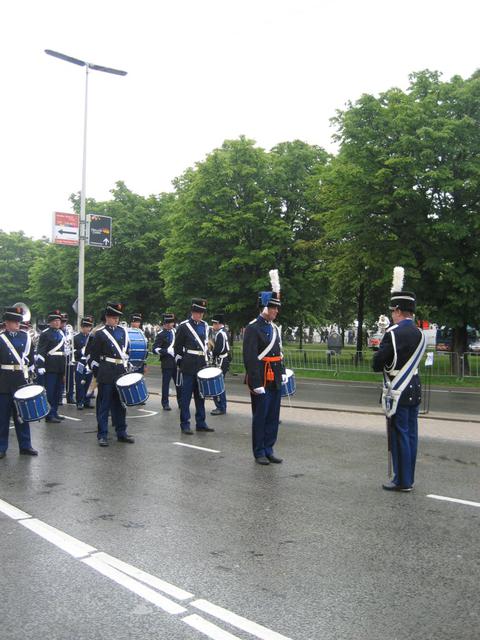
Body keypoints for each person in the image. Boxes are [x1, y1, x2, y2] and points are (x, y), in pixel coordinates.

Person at [373, 267, 426, 492]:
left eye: (393, 310)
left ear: (398, 310)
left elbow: (377, 364)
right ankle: (408, 478)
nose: (392, 314)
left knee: (400, 434)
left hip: (398, 389)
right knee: (411, 435)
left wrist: (378, 350)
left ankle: (402, 480)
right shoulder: (419, 333)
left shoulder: (393, 333)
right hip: (413, 386)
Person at [243, 270, 286, 465]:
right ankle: (259, 451)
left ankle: (269, 448)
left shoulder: (275, 328)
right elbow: (250, 358)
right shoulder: (253, 328)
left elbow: (279, 353)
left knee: (273, 416)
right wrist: (256, 382)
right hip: (261, 379)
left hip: (274, 377)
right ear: (266, 308)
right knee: (260, 416)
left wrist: (282, 373)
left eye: (277, 309)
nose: (277, 312)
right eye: (274, 308)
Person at [87, 302, 135, 447]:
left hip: (120, 371)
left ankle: (121, 432)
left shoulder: (123, 332)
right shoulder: (100, 334)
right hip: (106, 372)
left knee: (121, 405)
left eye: (118, 317)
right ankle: (102, 434)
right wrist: (98, 373)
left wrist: (127, 365)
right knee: (104, 405)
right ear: (107, 317)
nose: (116, 320)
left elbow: (126, 352)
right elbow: (93, 357)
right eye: (114, 317)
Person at [0, 306, 38, 458]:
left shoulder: (26, 337)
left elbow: (31, 358)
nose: (17, 324)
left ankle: (25, 445)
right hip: (4, 380)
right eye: (14, 321)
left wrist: (31, 372)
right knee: (2, 416)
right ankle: (2, 447)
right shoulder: (1, 338)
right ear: (7, 322)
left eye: (18, 321)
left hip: (20, 380)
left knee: (22, 415)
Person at [174, 298, 214, 434]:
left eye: (202, 312)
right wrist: (180, 362)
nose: (200, 314)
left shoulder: (205, 325)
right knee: (186, 397)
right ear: (192, 311)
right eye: (197, 312)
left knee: (200, 395)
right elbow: (177, 347)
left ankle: (201, 422)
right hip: (188, 364)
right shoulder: (184, 326)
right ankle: (185, 424)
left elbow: (206, 344)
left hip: (201, 363)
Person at [36, 309, 66, 423]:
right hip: (50, 366)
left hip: (60, 365)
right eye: (55, 320)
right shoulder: (45, 333)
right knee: (50, 391)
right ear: (50, 322)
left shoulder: (61, 333)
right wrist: (41, 365)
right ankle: (49, 414)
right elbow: (41, 351)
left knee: (58, 391)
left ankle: (55, 412)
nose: (58, 322)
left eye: (59, 320)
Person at [152, 312, 181, 411]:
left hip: (176, 362)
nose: (169, 324)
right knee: (166, 384)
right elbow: (154, 349)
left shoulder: (176, 332)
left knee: (179, 384)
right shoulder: (161, 334)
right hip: (167, 362)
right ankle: (165, 403)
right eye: (167, 322)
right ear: (164, 323)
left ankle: (181, 402)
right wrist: (166, 351)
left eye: (171, 322)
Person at [210, 312, 230, 416]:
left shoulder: (220, 334)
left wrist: (211, 353)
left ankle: (221, 407)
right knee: (220, 384)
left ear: (218, 323)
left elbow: (219, 349)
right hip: (224, 360)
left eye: (214, 324)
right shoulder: (224, 332)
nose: (213, 326)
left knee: (218, 385)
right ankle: (222, 406)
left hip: (221, 361)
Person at [74, 316, 94, 409]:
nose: (88, 328)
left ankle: (87, 400)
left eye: (89, 326)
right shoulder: (76, 338)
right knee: (80, 382)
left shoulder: (92, 338)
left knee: (89, 382)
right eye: (86, 326)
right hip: (80, 363)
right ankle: (80, 402)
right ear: (82, 326)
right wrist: (80, 351)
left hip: (89, 363)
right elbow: (72, 353)